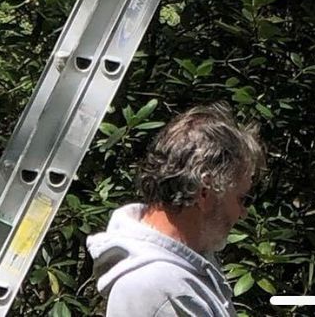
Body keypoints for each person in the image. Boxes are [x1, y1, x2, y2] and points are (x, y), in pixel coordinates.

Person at [86, 103, 266, 317]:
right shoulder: (151, 289)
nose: (243, 213)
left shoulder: (188, 267)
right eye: (242, 199)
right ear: (205, 192)